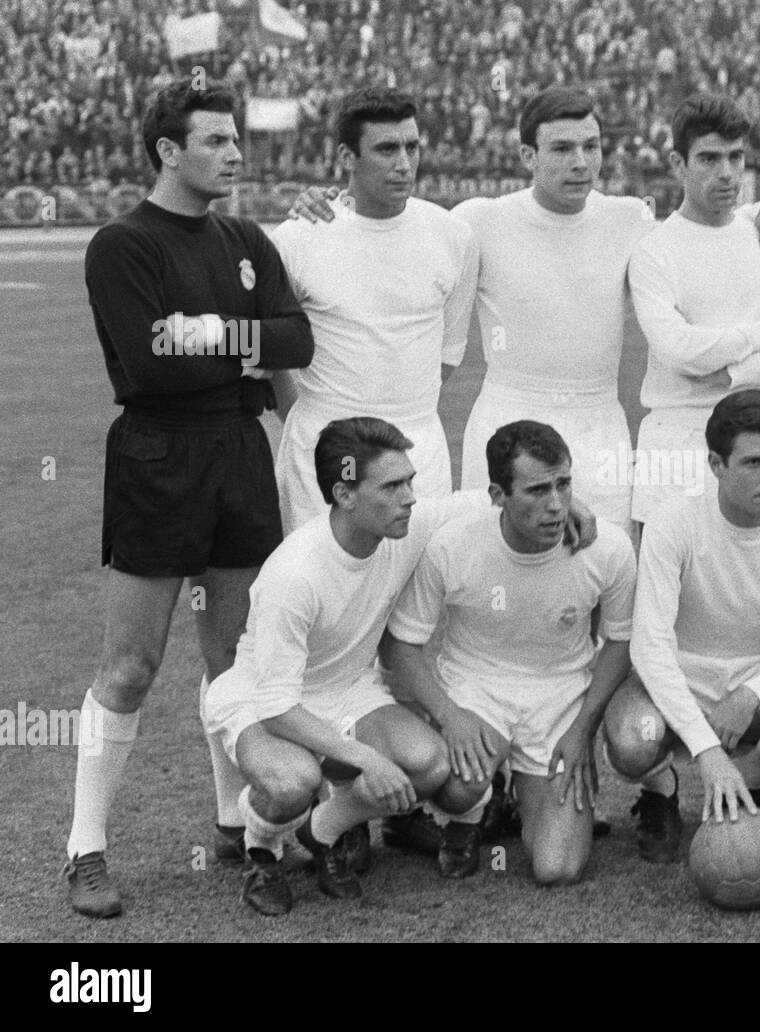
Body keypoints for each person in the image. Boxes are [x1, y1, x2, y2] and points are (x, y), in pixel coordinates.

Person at [289, 86, 760, 536]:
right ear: (527, 155)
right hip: (505, 417)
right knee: (493, 572)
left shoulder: (630, 220)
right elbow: (389, 230)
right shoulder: (477, 222)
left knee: (606, 574)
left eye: (591, 146)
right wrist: (327, 199)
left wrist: (759, 210)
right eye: (561, 148)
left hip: (600, 423)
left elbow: (695, 226)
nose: (580, 161)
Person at [67, 80, 314, 919]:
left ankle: (233, 825)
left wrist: (209, 334)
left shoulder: (246, 237)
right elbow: (149, 367)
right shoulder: (122, 246)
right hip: (157, 457)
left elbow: (295, 338)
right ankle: (85, 851)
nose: (236, 154)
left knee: (234, 660)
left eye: (236, 139)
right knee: (131, 669)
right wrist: (238, 344)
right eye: (216, 141)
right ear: (169, 152)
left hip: (240, 453)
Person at [202, 418, 471, 915]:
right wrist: (366, 758)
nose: (410, 497)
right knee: (292, 783)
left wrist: (573, 506)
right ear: (345, 495)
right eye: (392, 486)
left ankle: (322, 830)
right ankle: (262, 849)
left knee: (429, 764)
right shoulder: (294, 573)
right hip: (265, 699)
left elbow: (483, 502)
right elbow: (280, 706)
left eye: (410, 482)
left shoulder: (403, 528)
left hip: (346, 689)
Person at [380, 421, 637, 883]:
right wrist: (450, 716)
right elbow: (401, 646)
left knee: (557, 869)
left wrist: (583, 729)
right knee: (460, 786)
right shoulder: (453, 544)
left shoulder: (608, 547)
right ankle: (474, 805)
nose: (556, 505)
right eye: (537, 490)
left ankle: (520, 795)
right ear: (497, 494)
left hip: (560, 699)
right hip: (475, 690)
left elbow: (620, 641)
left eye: (564, 485)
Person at [604, 391, 760, 862]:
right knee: (634, 741)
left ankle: (747, 782)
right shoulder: (673, 522)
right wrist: (708, 750)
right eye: (753, 463)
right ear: (716, 464)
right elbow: (650, 647)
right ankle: (662, 789)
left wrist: (752, 695)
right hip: (682, 676)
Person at [270, 86, 478, 532]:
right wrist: (310, 419)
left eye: (412, 147)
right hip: (324, 452)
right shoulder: (298, 238)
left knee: (419, 592)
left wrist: (397, 409)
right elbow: (267, 357)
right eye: (386, 149)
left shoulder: (452, 236)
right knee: (327, 590)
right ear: (347, 157)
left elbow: (446, 355)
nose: (404, 163)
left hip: (419, 448)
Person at [628, 95, 760, 529]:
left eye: (736, 157)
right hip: (677, 439)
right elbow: (679, 351)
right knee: (667, 592)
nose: (726, 173)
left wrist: (737, 376)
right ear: (678, 164)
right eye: (709, 159)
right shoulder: (654, 252)